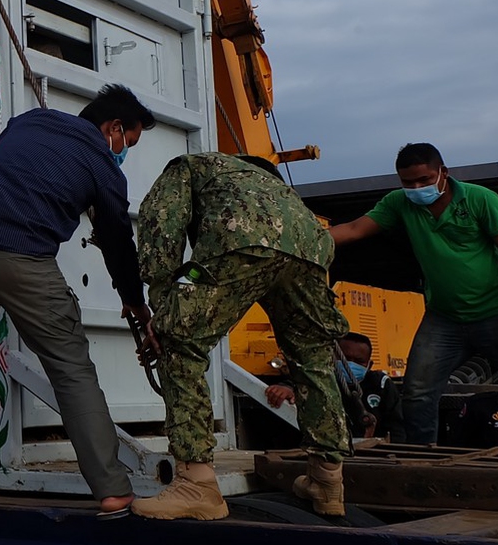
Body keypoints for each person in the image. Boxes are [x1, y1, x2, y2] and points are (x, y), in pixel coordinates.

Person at [0, 84, 155, 517]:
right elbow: (117, 242)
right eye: (128, 142)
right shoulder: (104, 168)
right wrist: (135, 301)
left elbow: (13, 167)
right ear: (113, 128)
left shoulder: (30, 120)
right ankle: (112, 490)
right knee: (72, 373)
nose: (124, 153)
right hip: (26, 261)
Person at [130, 154, 351, 520]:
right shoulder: (275, 188)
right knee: (313, 358)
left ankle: (196, 485)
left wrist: (163, 306)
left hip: (244, 234)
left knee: (178, 346)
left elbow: (161, 227)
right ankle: (327, 481)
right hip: (312, 248)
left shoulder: (190, 165)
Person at [329, 144, 498, 453]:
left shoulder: (480, 199)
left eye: (424, 180)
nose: (416, 188)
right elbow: (355, 228)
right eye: (408, 182)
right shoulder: (399, 203)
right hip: (444, 317)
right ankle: (422, 459)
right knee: (417, 391)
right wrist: (307, 238)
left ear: (443, 173)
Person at [266, 332, 400, 440]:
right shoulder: (320, 377)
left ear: (369, 365)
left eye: (358, 361)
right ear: (331, 358)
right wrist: (287, 389)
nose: (350, 365)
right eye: (345, 359)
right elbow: (299, 382)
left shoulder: (381, 385)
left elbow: (396, 426)